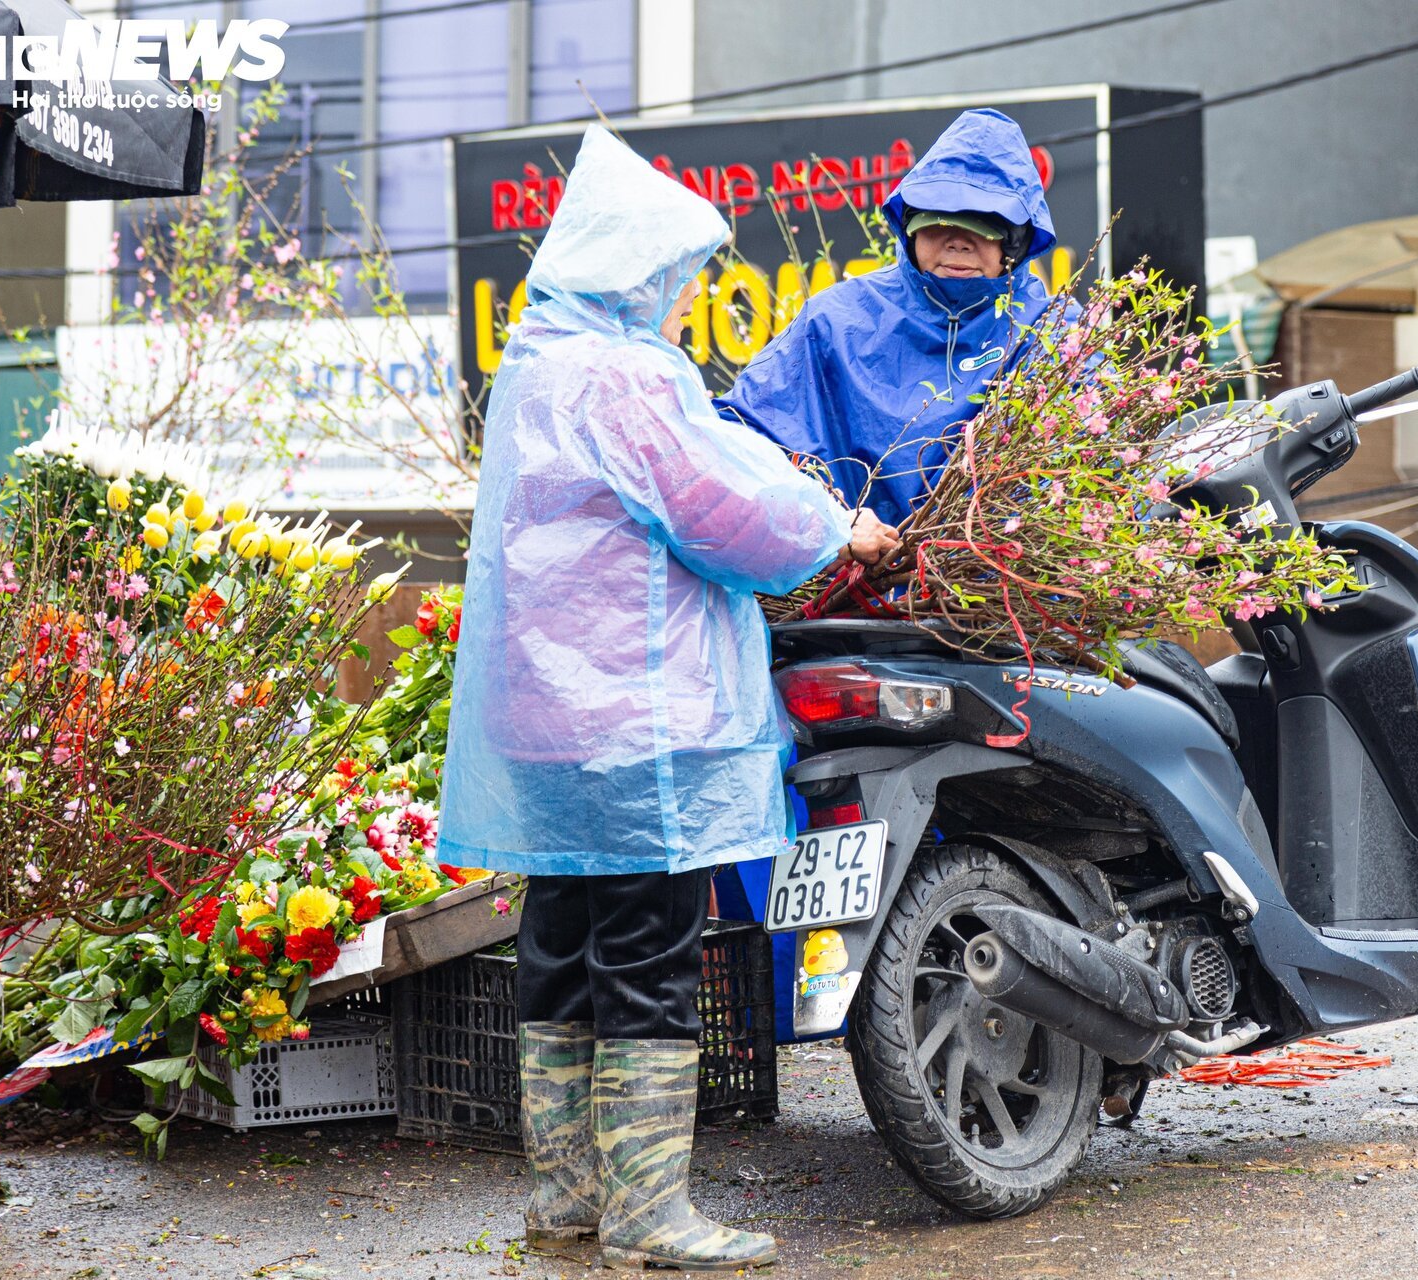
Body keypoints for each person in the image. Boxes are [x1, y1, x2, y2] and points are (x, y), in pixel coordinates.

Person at [437, 125, 899, 1272]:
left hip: (542, 721)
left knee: (561, 942)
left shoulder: (533, 366)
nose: (685, 298)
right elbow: (726, 509)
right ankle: (650, 1213)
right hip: (639, 724)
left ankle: (567, 1199)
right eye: (679, 276)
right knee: (647, 950)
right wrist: (841, 525)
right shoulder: (628, 374)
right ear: (635, 270)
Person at [715, 108, 1066, 528]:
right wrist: (830, 525)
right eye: (937, 221)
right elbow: (740, 440)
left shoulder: (1056, 334)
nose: (957, 243)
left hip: (1002, 586)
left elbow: (1099, 477)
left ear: (1018, 240)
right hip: (851, 587)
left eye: (983, 225)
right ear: (909, 230)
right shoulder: (834, 321)